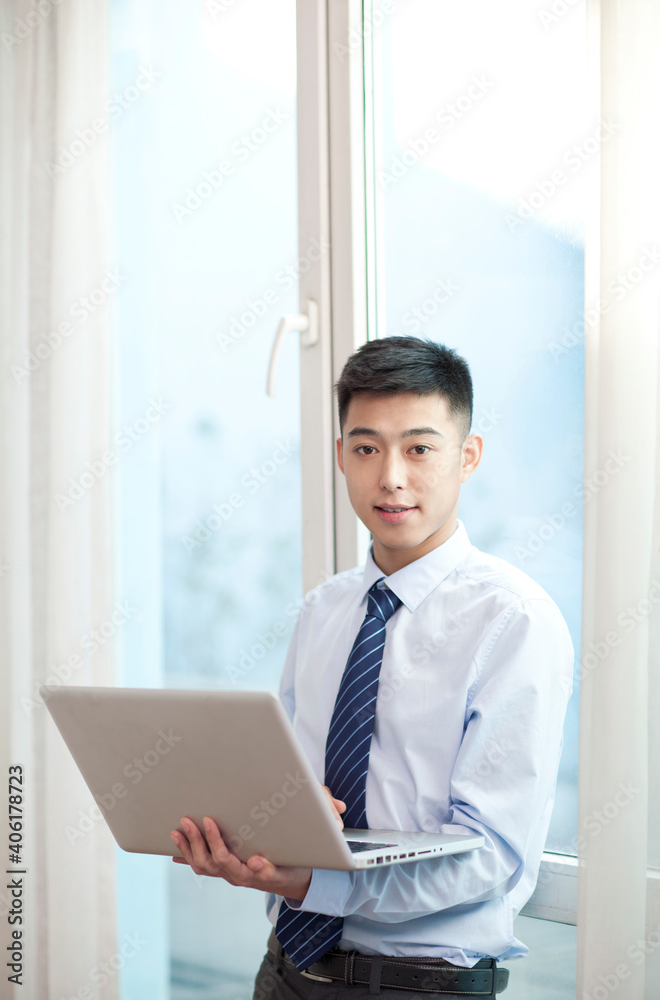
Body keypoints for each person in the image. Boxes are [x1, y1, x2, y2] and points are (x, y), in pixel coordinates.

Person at [170, 336, 574, 998]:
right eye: (365, 448)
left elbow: (488, 860)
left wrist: (310, 882)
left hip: (417, 985)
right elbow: (297, 789)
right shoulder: (324, 610)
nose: (390, 476)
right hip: (284, 970)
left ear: (466, 456)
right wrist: (249, 828)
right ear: (340, 457)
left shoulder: (513, 621)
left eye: (418, 448)